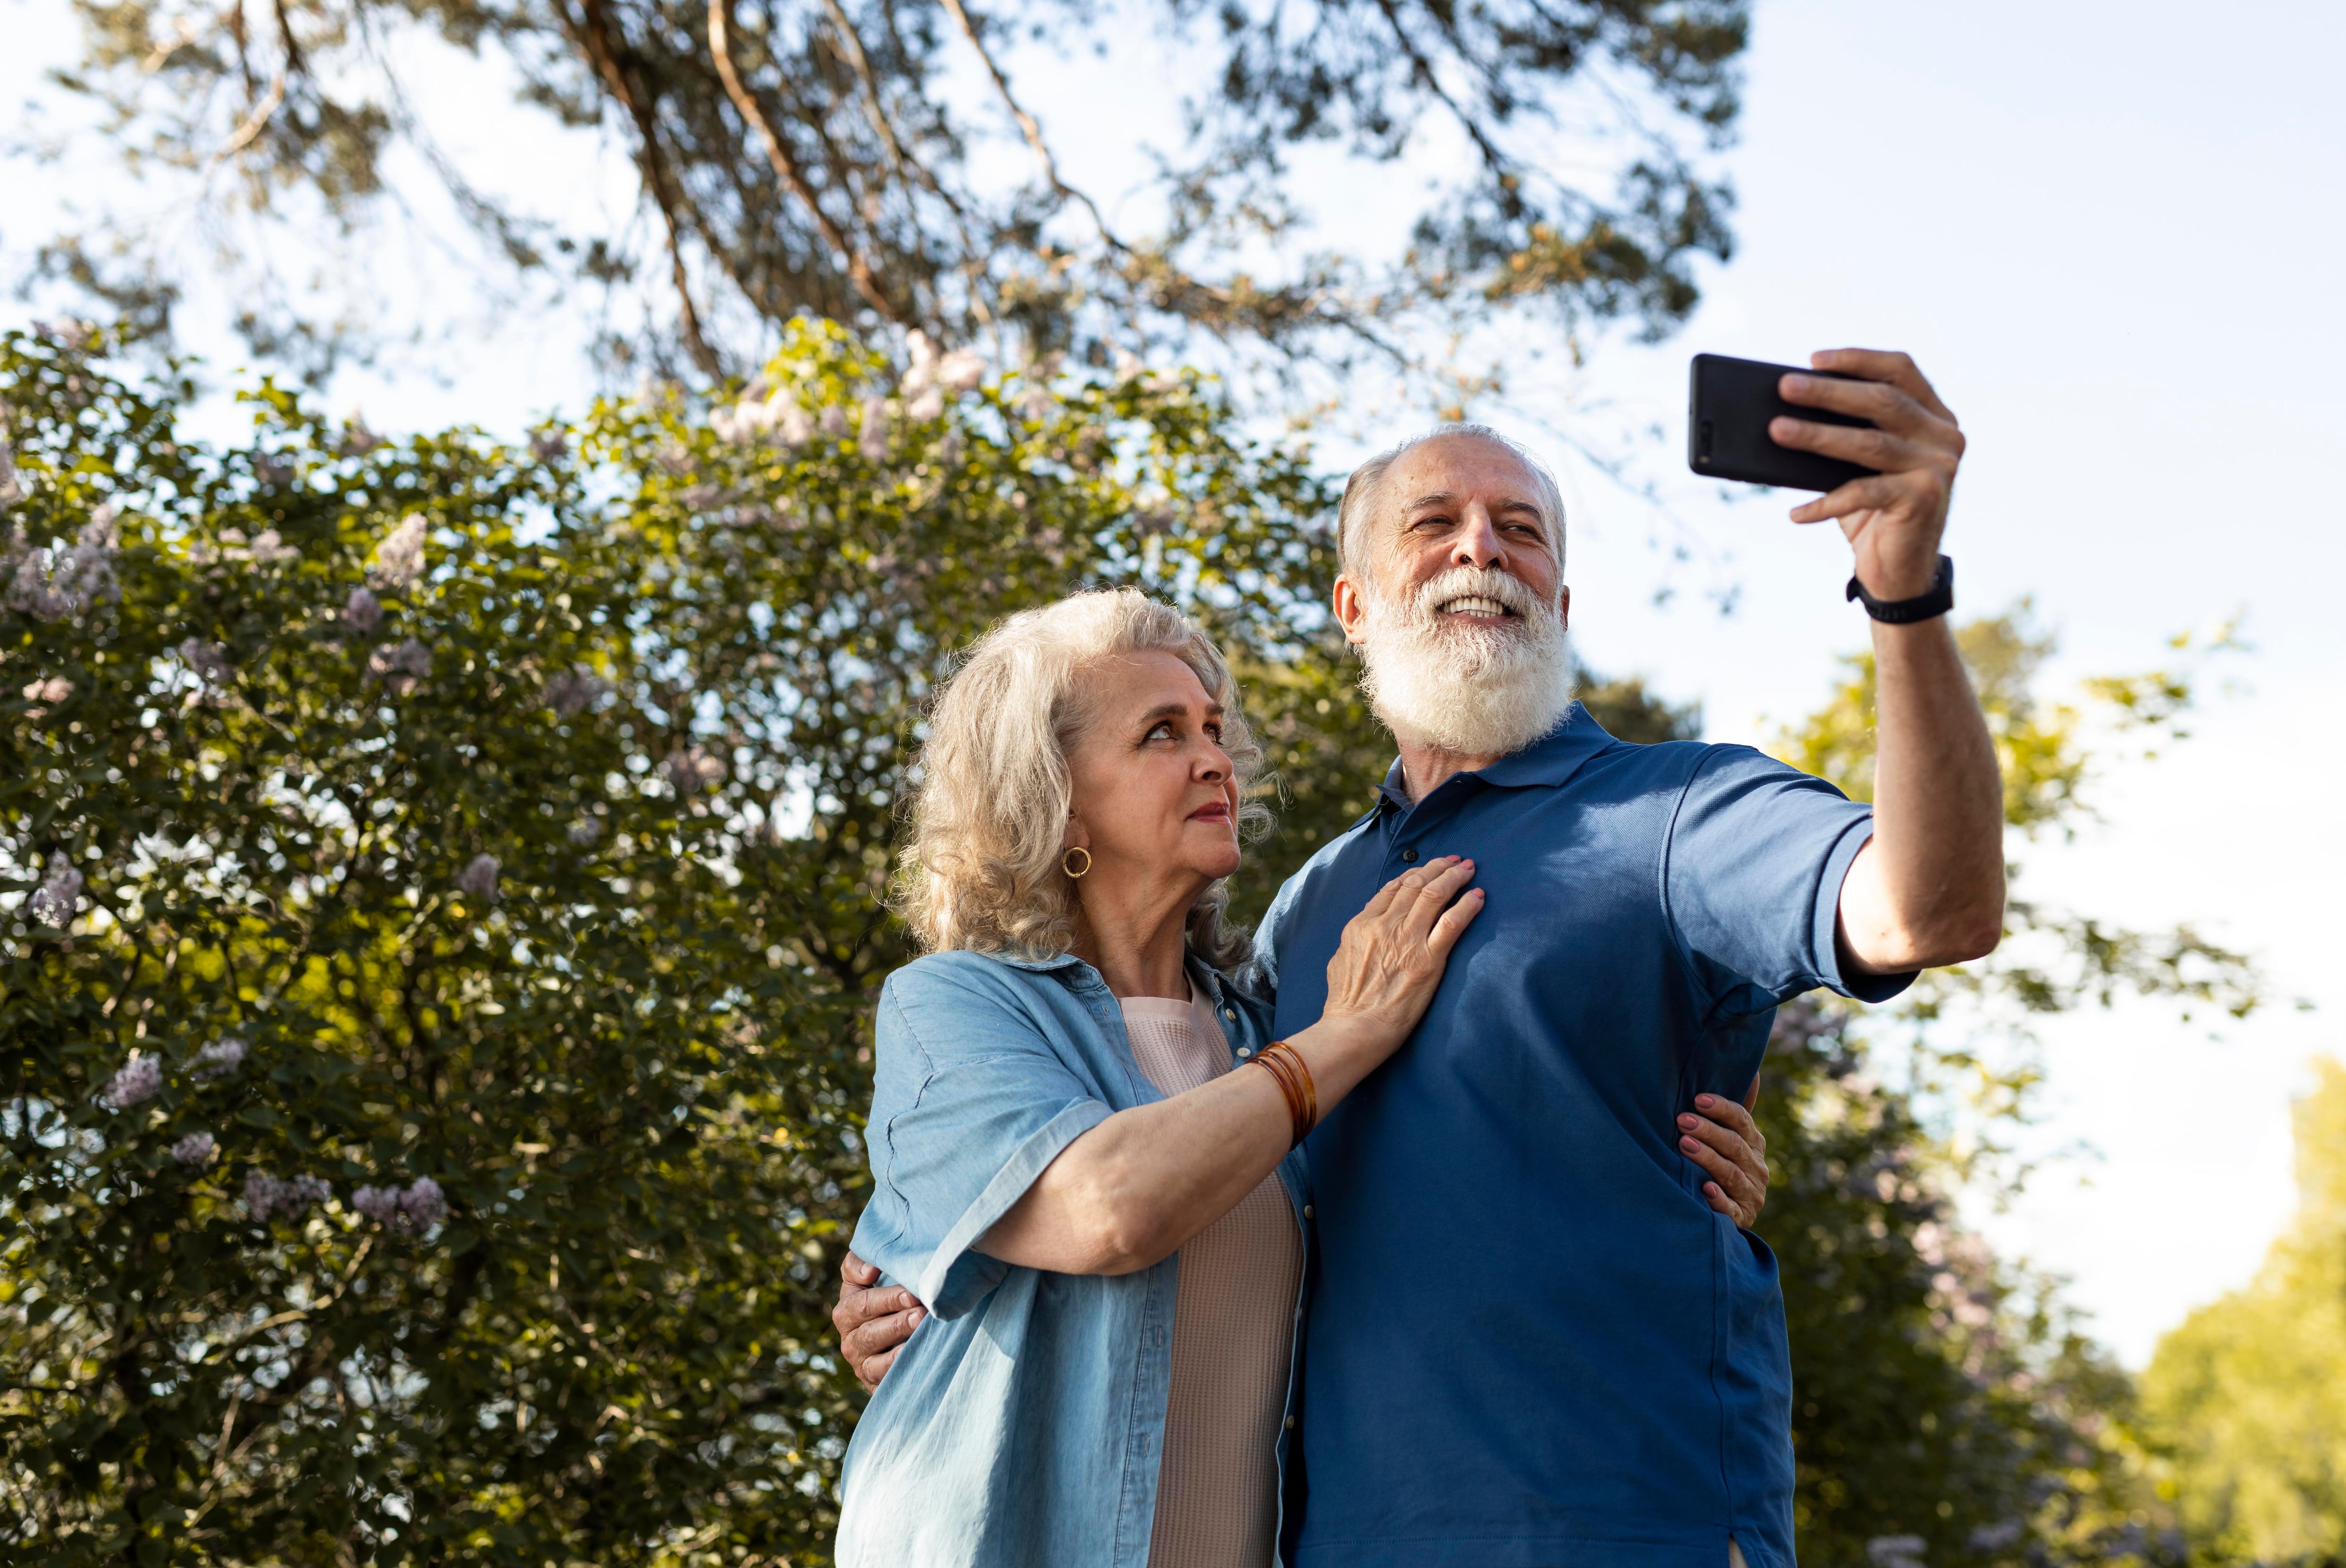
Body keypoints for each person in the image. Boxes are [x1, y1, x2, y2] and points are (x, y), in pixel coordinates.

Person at [838, 347, 1999, 1568]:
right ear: (1356, 604)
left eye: (1522, 530)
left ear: (1561, 598)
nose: (1482, 548)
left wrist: (1906, 592)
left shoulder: (1681, 811)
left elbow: (1933, 909)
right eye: (1434, 523)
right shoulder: (1305, 919)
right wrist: (913, 1272)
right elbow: (1116, 1177)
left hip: (1622, 1527)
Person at [831, 589, 1773, 1568]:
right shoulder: (952, 1005)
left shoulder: (1256, 1020)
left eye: (1210, 727)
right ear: (1054, 796)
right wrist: (1347, 1031)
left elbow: (1445, 1164)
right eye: (1160, 734)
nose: (1213, 758)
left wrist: (1675, 1166)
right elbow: (1107, 1207)